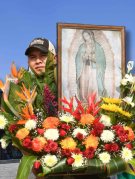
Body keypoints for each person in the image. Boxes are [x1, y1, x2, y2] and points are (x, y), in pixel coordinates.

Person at [23, 38, 110, 179]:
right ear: (28, 62)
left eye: (43, 56)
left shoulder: (72, 80)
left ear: (55, 58)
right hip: (51, 169)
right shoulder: (26, 90)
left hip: (86, 167)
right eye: (33, 57)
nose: (38, 61)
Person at [75, 30, 107, 107]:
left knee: (94, 84)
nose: (86, 38)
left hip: (94, 68)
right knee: (84, 84)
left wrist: (93, 57)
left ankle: (95, 102)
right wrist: (83, 57)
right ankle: (84, 102)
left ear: (91, 36)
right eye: (84, 36)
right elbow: (77, 58)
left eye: (87, 36)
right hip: (84, 68)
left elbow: (102, 59)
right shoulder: (82, 46)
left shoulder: (97, 46)